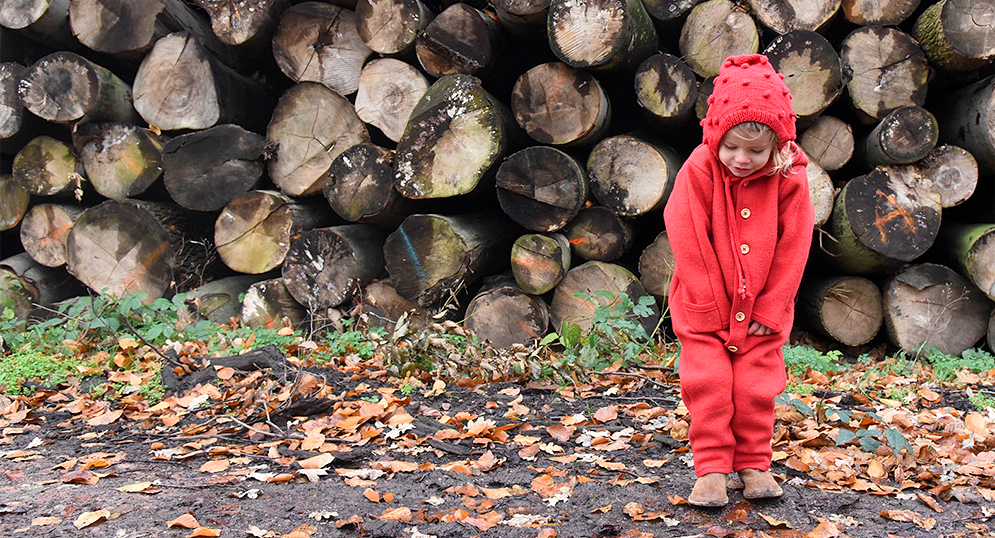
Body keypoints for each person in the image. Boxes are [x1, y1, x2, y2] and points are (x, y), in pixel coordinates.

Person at [663, 54, 814, 507]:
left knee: (755, 386)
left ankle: (753, 464)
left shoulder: (790, 177)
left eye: (755, 151)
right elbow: (686, 231)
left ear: (778, 146)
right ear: (715, 137)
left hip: (762, 311)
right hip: (702, 305)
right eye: (731, 147)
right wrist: (708, 303)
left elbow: (795, 243)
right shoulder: (700, 167)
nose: (741, 159)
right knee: (708, 382)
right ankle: (710, 469)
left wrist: (773, 305)